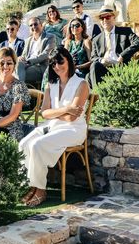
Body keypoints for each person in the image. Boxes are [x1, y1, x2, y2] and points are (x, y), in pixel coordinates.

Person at [19, 47, 90, 207]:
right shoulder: (51, 84)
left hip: (73, 129)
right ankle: (31, 185)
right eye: (53, 63)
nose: (57, 66)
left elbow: (72, 117)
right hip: (51, 126)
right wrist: (65, 109)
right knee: (24, 144)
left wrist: (55, 113)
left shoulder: (81, 84)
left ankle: (41, 190)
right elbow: (44, 113)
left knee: (37, 145)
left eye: (60, 61)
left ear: (69, 61)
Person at [89, 5, 139, 88]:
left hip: (120, 66)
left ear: (113, 17)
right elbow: (93, 57)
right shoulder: (96, 39)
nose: (104, 20)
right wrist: (101, 60)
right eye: (102, 18)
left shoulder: (125, 31)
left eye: (107, 17)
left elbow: (138, 43)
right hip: (105, 67)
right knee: (93, 68)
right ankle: (96, 96)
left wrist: (123, 55)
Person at [16, 16, 57, 87]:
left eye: (35, 24)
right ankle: (21, 90)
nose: (33, 26)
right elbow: (24, 55)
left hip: (41, 68)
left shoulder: (50, 37)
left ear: (41, 25)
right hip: (27, 66)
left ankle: (20, 90)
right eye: (31, 25)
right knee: (14, 68)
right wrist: (20, 58)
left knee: (15, 75)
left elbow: (46, 54)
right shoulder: (28, 40)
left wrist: (29, 61)